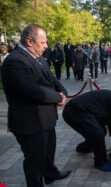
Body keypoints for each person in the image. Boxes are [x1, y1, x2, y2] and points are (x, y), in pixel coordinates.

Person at [1, 24, 71, 187]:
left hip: (45, 119)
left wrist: (63, 92)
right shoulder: (15, 61)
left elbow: (51, 80)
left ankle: (50, 172)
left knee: (48, 151)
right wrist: (58, 98)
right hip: (30, 122)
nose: (46, 46)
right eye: (43, 43)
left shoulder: (37, 57)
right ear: (29, 41)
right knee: (35, 160)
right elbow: (32, 90)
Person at [62, 89, 111, 171]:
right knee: (97, 133)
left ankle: (84, 148)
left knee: (101, 131)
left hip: (80, 111)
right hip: (74, 112)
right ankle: (100, 162)